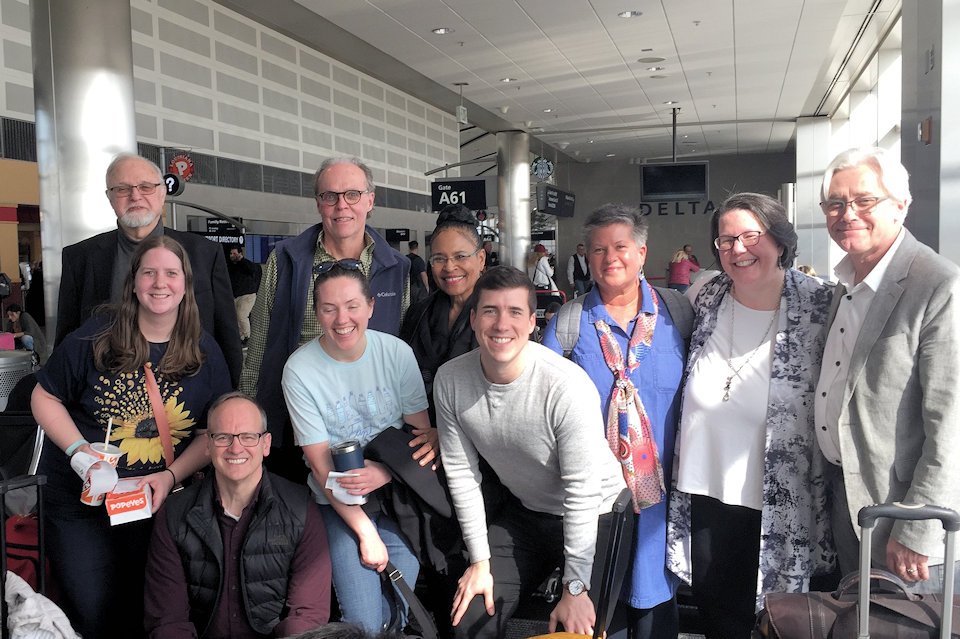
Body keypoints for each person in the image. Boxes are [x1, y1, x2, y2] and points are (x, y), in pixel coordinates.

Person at [31, 236, 232, 639]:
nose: (160, 283)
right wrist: (78, 452)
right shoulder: (95, 338)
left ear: (185, 284)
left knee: (147, 609)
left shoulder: (202, 350)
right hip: (80, 504)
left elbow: (212, 433)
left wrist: (171, 476)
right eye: (149, 272)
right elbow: (44, 395)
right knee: (93, 609)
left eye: (171, 273)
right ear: (133, 282)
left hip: (152, 506)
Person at [665, 193, 835, 638]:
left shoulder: (821, 309)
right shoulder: (707, 297)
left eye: (750, 236)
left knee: (779, 621)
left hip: (779, 503)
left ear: (779, 240)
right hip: (705, 495)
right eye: (725, 240)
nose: (737, 249)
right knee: (718, 614)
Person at [435, 266, 626, 639]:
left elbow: (582, 491)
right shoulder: (450, 379)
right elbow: (461, 473)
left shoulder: (564, 385)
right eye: (490, 310)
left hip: (596, 513)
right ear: (473, 319)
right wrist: (480, 562)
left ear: (532, 322)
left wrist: (575, 587)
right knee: (470, 619)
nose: (501, 323)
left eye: (515, 312)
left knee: (585, 629)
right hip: (528, 513)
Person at [815, 147, 960, 590]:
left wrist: (918, 526)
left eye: (864, 201)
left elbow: (951, 422)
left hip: (900, 517)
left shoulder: (937, 285)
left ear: (901, 205)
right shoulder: (846, 285)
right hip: (849, 501)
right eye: (836, 204)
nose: (847, 214)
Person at [542, 205, 688, 639]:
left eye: (621, 247)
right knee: (605, 613)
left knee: (658, 613)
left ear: (642, 252)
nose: (610, 259)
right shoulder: (570, 324)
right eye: (598, 250)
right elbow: (538, 399)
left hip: (665, 499)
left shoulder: (678, 315)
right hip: (598, 502)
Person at [281, 262, 435, 633]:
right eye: (329, 308)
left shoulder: (396, 353)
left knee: (400, 606)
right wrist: (365, 533)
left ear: (370, 306)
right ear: (316, 312)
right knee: (363, 622)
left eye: (352, 305)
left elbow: (421, 437)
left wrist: (383, 472)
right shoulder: (300, 369)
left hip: (398, 497)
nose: (342, 319)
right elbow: (320, 467)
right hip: (337, 504)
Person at [241, 157, 410, 480]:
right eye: (329, 196)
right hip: (294, 421)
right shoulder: (286, 259)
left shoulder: (396, 268)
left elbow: (399, 346)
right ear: (318, 203)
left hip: (371, 426)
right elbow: (260, 343)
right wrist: (250, 416)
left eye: (352, 195)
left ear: (370, 200)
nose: (341, 206)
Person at [144, 391, 332, 638]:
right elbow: (168, 621)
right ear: (208, 445)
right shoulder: (174, 514)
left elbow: (307, 616)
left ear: (266, 444)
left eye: (248, 436)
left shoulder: (300, 507)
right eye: (223, 437)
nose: (235, 448)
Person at [56, 153, 241, 385]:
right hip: (105, 399)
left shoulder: (205, 253)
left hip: (191, 392)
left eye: (146, 187)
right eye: (122, 189)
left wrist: (231, 397)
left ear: (162, 193)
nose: (135, 196)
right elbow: (66, 337)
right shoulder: (80, 257)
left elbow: (227, 336)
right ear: (109, 197)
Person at [400, 204, 484, 422]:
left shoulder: (501, 317)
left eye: (460, 256)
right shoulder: (417, 313)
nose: (449, 267)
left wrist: (444, 433)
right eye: (439, 258)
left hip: (480, 436)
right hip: (420, 429)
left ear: (481, 259)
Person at [227, 245, 262, 344]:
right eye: (231, 254)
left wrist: (241, 260)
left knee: (242, 315)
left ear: (240, 253)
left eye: (235, 253)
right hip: (236, 295)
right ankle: (241, 337)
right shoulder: (230, 267)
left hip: (247, 294)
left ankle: (247, 336)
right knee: (236, 318)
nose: (233, 256)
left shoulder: (246, 265)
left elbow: (253, 270)